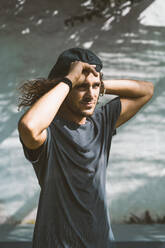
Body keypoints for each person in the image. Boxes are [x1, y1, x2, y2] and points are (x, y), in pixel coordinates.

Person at [18, 47, 154, 248]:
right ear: (65, 88)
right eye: (82, 87)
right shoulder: (49, 132)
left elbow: (146, 90)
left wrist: (97, 82)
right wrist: (69, 79)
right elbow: (28, 126)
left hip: (101, 242)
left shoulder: (102, 122)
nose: (91, 95)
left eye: (95, 87)